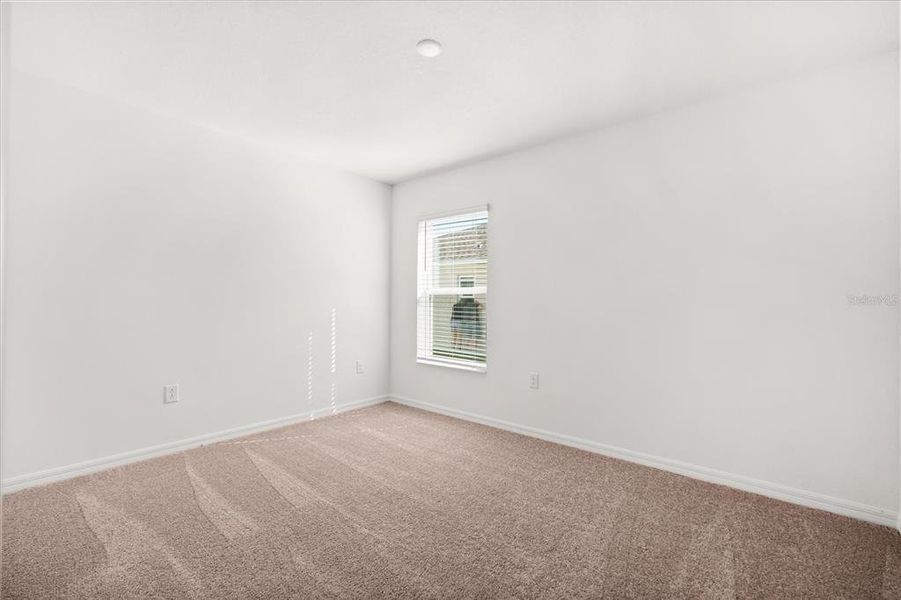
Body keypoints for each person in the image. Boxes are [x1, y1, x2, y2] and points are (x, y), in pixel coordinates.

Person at [451, 281, 483, 351]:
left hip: (458, 322)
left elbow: (453, 315)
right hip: (465, 322)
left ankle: (455, 348)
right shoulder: (465, 305)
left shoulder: (458, 305)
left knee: (458, 336)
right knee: (464, 336)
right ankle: (461, 348)